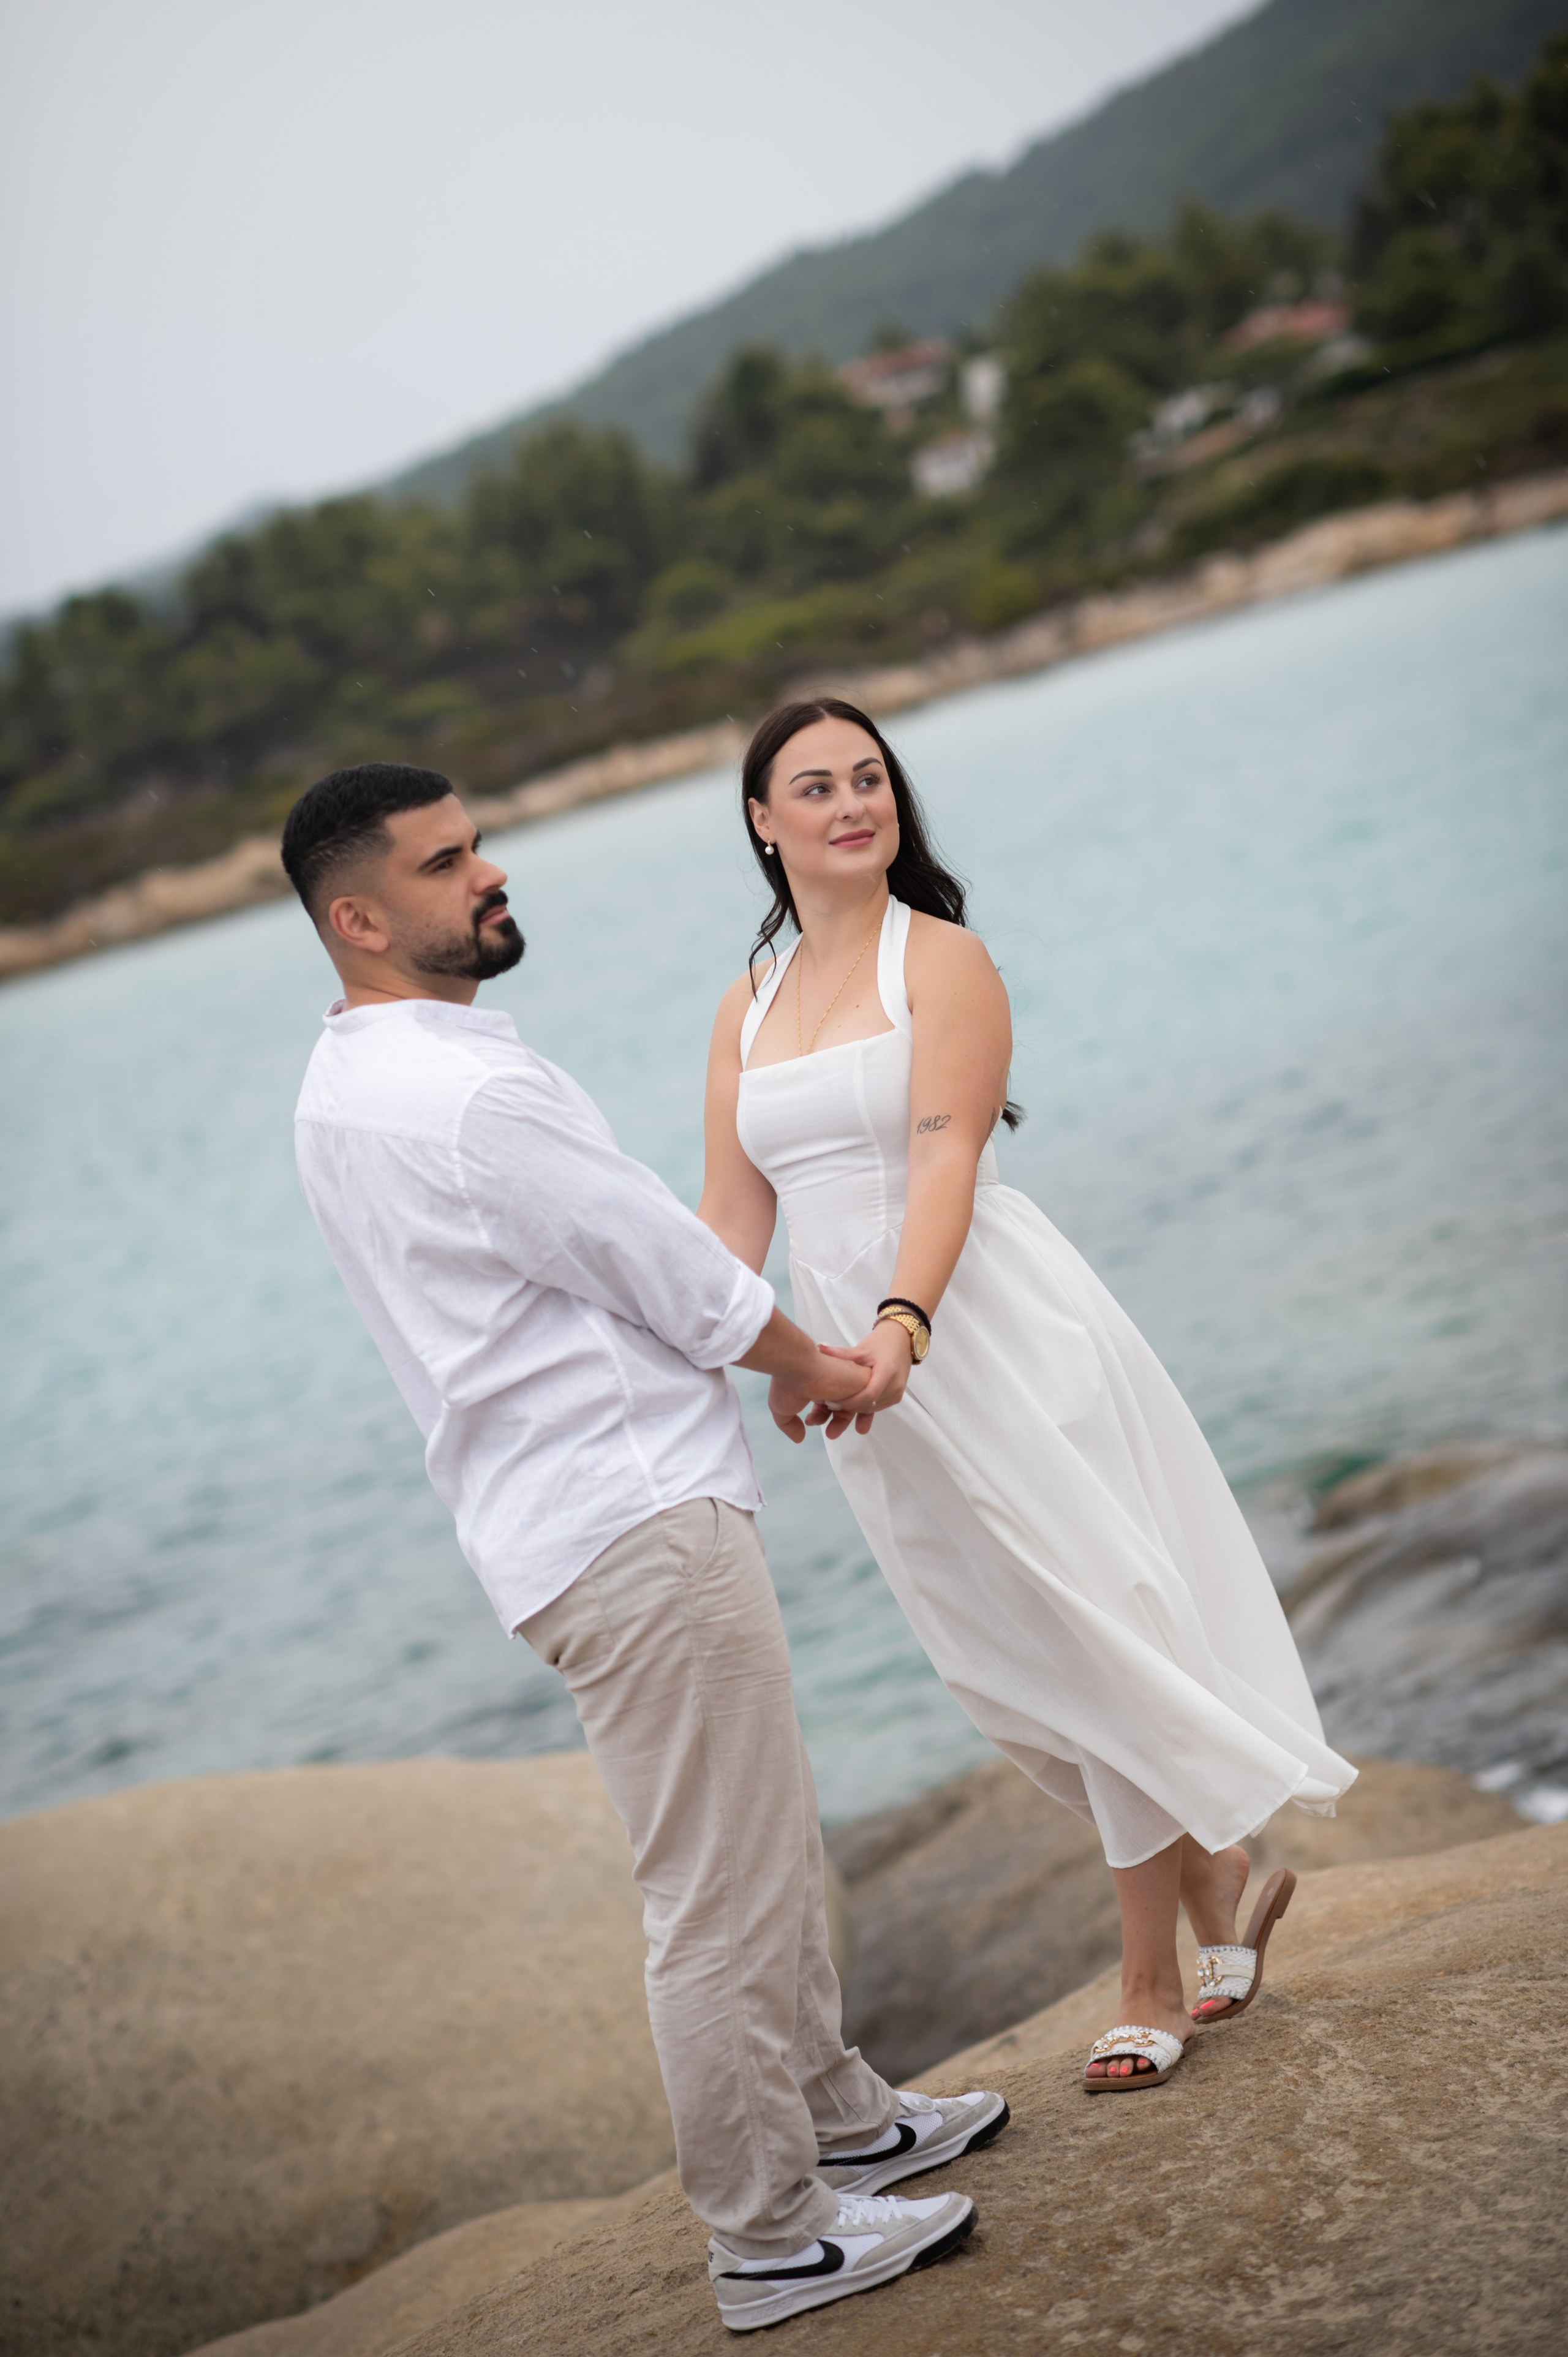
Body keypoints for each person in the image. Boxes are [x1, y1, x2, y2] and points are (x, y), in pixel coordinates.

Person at [281, 761, 1007, 2332]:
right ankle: (769, 2232)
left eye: (477, 840)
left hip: (564, 1517)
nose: (488, 871)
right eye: (443, 862)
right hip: (624, 1515)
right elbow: (656, 1263)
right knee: (717, 1887)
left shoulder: (342, 1082)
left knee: (756, 1835)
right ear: (356, 916)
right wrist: (821, 1364)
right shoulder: (462, 1091)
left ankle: (836, 2113)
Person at [698, 700, 1357, 2094]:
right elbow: (726, 1217)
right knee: (999, 1658)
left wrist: (895, 1322)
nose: (849, 803)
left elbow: (942, 1163)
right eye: (811, 786)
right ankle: (1217, 1870)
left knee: (1083, 1621)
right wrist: (742, 1356)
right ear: (762, 821)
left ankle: (1144, 1983)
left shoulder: (942, 959)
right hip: (862, 1382)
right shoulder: (741, 1008)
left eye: (868, 777)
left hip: (980, 1330)